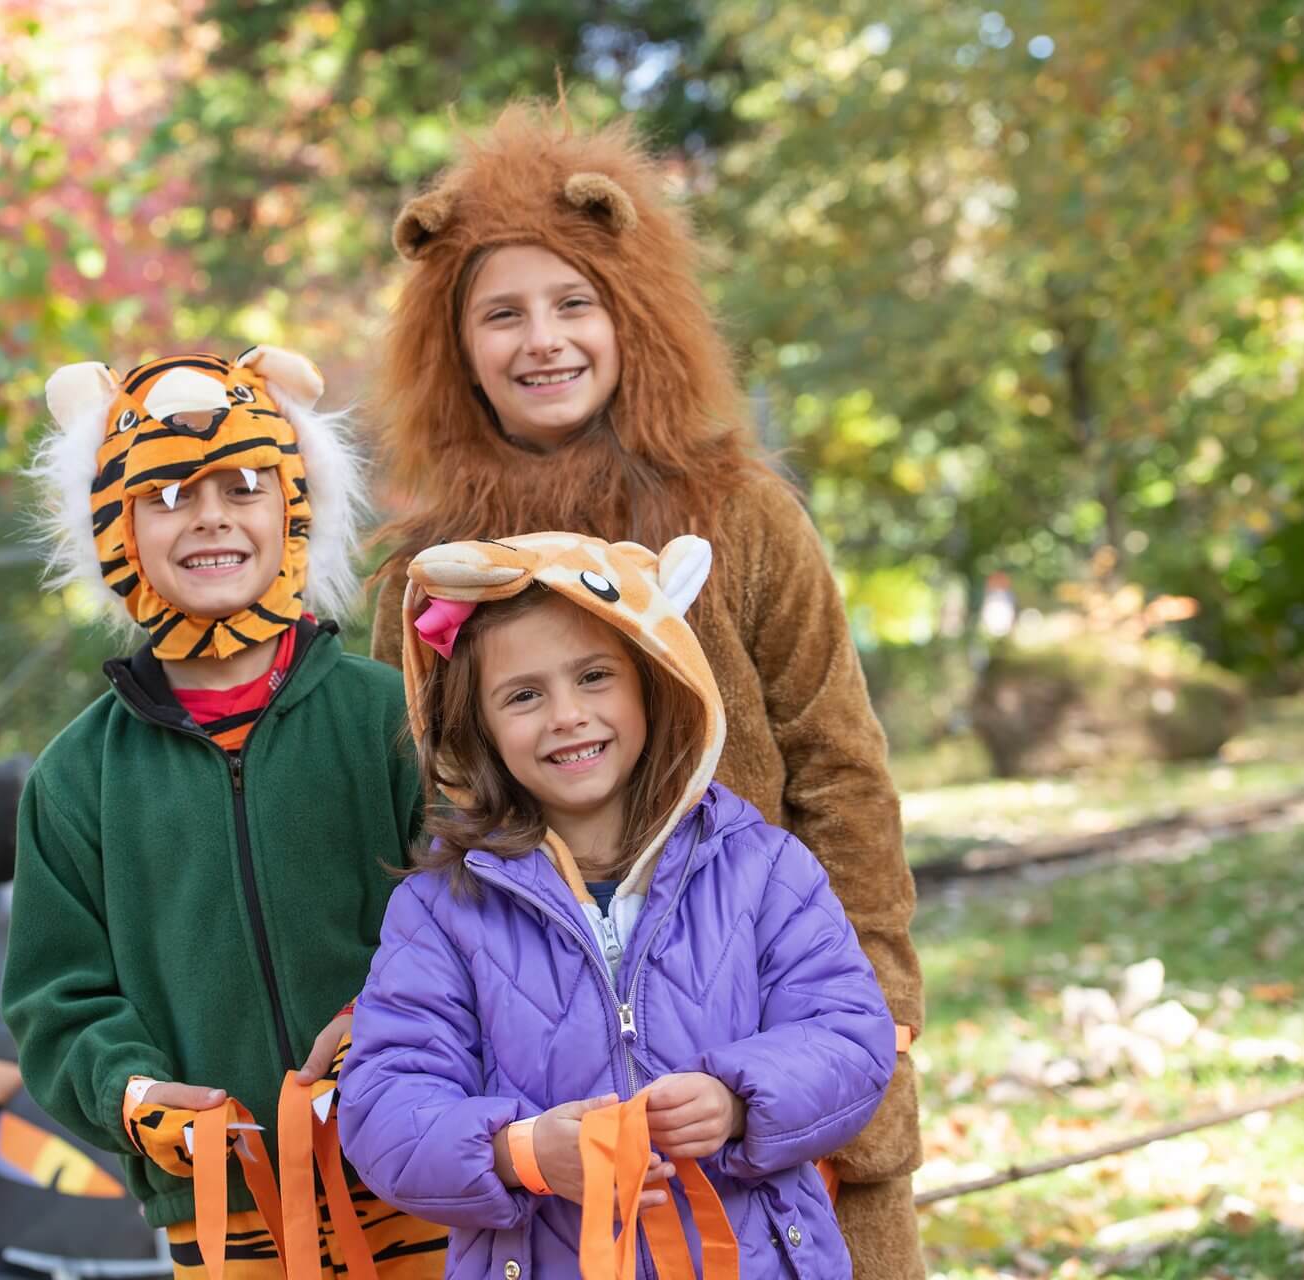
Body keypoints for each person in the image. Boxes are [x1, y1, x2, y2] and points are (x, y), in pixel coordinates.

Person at [366, 105, 927, 1278]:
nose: (543, 340)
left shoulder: (742, 510)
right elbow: (408, 802)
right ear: (454, 343)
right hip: (543, 1102)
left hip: (758, 1021)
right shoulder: (422, 567)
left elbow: (839, 763)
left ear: (630, 313)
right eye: (501, 313)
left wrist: (874, 1004)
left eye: (574, 302)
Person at [339, 531, 896, 1279]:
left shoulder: (763, 870)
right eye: (524, 695)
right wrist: (523, 1152)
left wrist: (737, 1100)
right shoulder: (440, 912)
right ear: (477, 729)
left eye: (595, 676)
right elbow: (382, 1110)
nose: (567, 715)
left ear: (654, 681)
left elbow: (852, 1038)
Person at [3, 346, 446, 1277]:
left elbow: (469, 908)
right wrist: (130, 1092)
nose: (208, 518)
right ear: (113, 526)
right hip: (224, 1203)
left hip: (423, 1161)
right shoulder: (77, 777)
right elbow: (56, 999)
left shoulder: (390, 718)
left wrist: (392, 1019)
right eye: (166, 496)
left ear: (293, 504)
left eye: (242, 485)